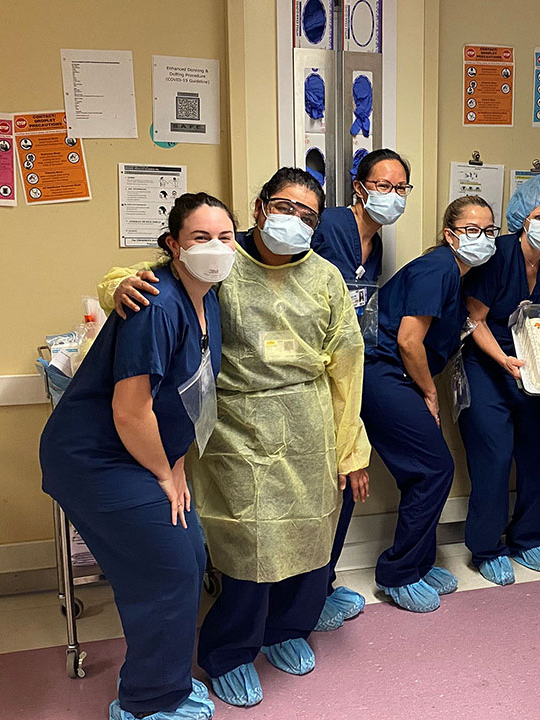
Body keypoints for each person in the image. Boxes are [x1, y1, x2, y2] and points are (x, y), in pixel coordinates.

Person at [101, 169, 370, 709]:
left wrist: (351, 449)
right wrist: (115, 286)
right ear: (258, 206)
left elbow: (348, 364)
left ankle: (288, 629)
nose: (294, 221)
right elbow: (140, 280)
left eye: (308, 215)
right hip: (235, 426)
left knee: (312, 535)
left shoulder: (325, 278)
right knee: (249, 545)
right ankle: (229, 651)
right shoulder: (220, 258)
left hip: (309, 421)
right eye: (283, 206)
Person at [40, 192, 237, 720]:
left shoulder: (208, 300)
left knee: (190, 558)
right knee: (167, 570)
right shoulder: (157, 301)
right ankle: (148, 703)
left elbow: (184, 394)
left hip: (144, 453)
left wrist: (174, 461)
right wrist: (164, 474)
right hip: (95, 458)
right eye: (200, 237)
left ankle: (165, 682)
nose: (215, 248)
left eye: (225, 237)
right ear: (173, 246)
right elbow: (130, 412)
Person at [360, 195, 498, 612]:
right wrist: (430, 392)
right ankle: (398, 573)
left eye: (489, 230)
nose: (482, 237)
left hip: (395, 376)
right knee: (434, 469)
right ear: (449, 233)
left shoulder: (454, 275)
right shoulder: (438, 268)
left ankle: (417, 563)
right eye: (471, 229)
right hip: (384, 375)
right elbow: (407, 340)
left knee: (424, 471)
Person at [460, 171, 540, 586]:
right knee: (493, 457)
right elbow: (473, 320)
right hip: (487, 365)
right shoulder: (497, 254)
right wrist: (504, 359)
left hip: (536, 369)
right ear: (522, 217)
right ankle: (487, 546)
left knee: (536, 453)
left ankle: (528, 538)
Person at [307, 148, 412, 631]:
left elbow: (357, 310)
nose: (392, 196)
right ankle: (306, 595)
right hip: (310, 374)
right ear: (360, 187)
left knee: (346, 482)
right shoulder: (330, 226)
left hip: (348, 371)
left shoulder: (376, 243)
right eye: (383, 185)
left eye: (400, 188)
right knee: (326, 486)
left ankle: (321, 585)